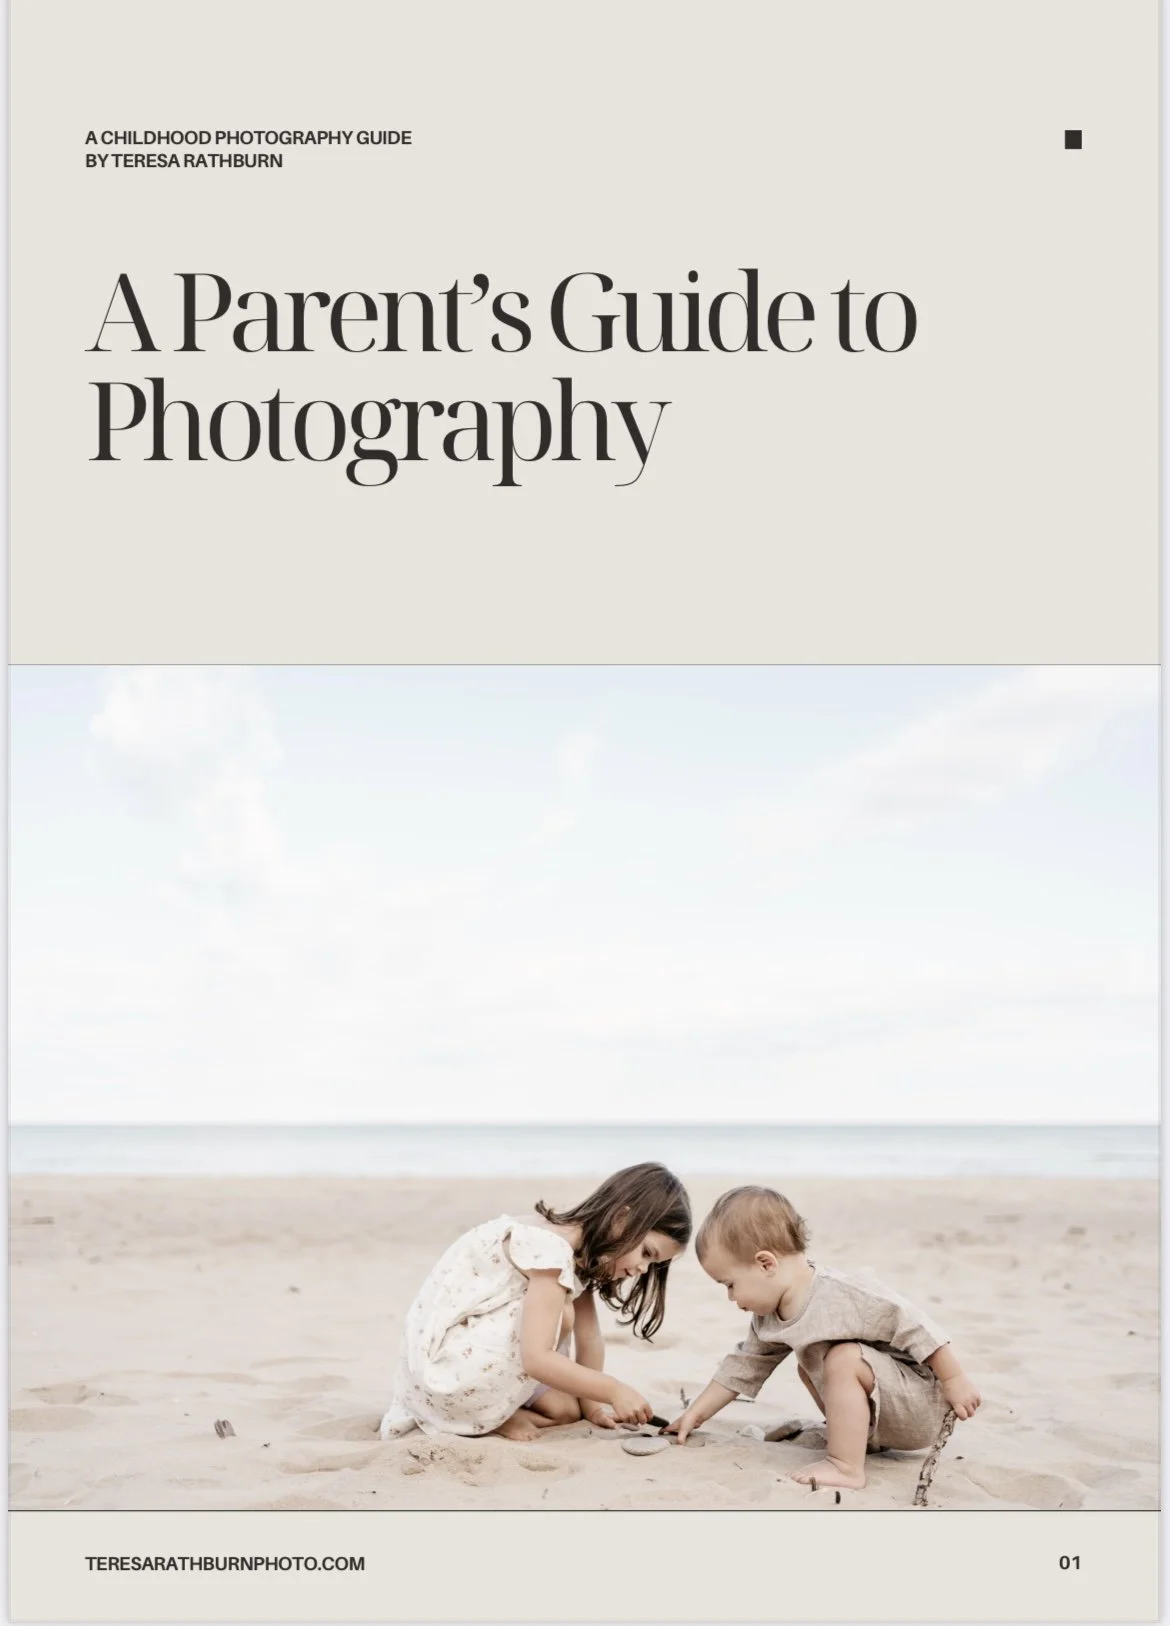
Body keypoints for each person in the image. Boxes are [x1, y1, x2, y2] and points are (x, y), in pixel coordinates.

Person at [667, 1185, 981, 1489]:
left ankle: (845, 1466)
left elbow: (912, 1323)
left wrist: (954, 1379)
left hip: (920, 1405)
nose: (730, 1297)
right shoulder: (769, 1317)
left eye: (730, 1284)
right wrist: (696, 1413)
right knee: (811, 1363)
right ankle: (855, 1440)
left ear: (766, 1264)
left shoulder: (843, 1294)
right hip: (884, 1413)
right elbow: (742, 1366)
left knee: (842, 1358)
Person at [380, 1161, 691, 1443]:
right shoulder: (551, 1252)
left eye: (654, 1265)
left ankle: (501, 1415)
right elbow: (536, 1359)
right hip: (447, 1374)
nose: (642, 1270)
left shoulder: (580, 1251)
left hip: (460, 1365)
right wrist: (614, 1390)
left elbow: (590, 1337)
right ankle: (487, 1419)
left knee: (567, 1409)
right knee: (562, 1316)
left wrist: (594, 1407)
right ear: (622, 1220)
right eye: (647, 1253)